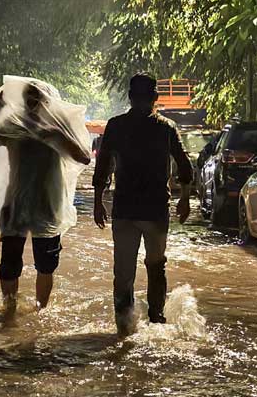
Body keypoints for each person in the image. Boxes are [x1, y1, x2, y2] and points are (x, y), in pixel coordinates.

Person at [92, 73, 193, 337]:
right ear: (156, 98)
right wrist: (184, 198)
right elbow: (184, 165)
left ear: (129, 97)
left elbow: (103, 165)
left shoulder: (116, 126)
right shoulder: (167, 128)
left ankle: (123, 330)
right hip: (155, 211)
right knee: (156, 265)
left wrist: (98, 202)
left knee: (123, 271)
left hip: (125, 210)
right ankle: (157, 321)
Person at [0, 84, 91, 314]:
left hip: (47, 204)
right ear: (23, 101)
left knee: (46, 265)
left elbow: (84, 157)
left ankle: (40, 311)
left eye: (36, 99)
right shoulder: (15, 127)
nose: (32, 103)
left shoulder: (56, 130)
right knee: (9, 266)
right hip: (16, 203)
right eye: (28, 99)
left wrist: (58, 137)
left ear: (45, 103)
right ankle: (9, 312)